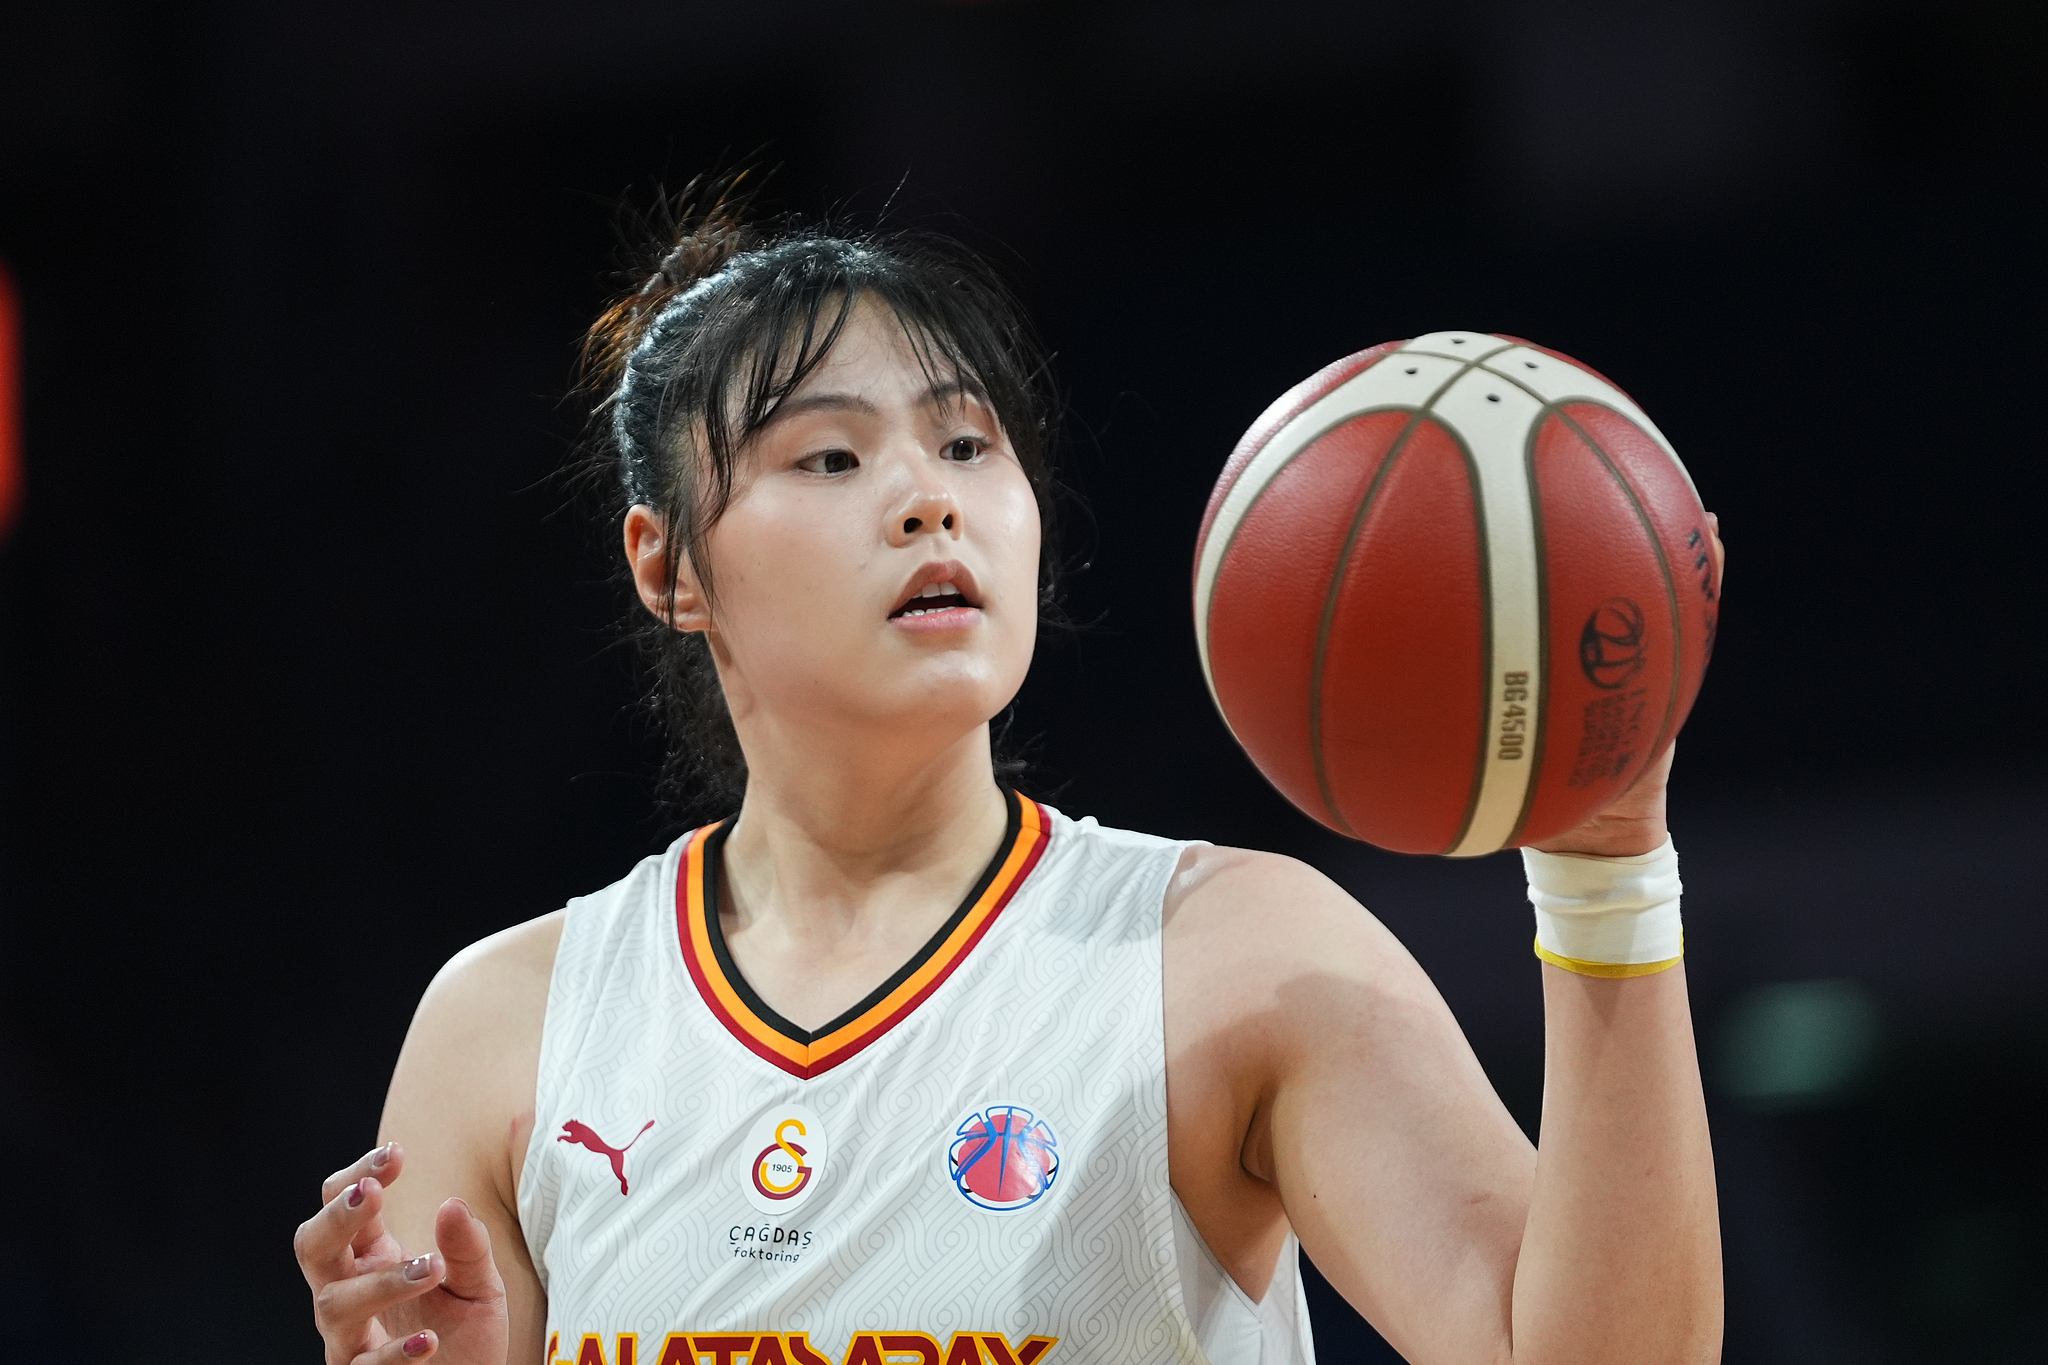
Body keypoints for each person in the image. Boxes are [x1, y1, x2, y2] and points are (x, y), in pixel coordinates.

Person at [295, 197, 1724, 1365]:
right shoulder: (508, 1026)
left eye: (969, 442)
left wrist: (1608, 865)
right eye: (835, 452)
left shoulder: (1234, 956)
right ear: (669, 564)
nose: (930, 494)